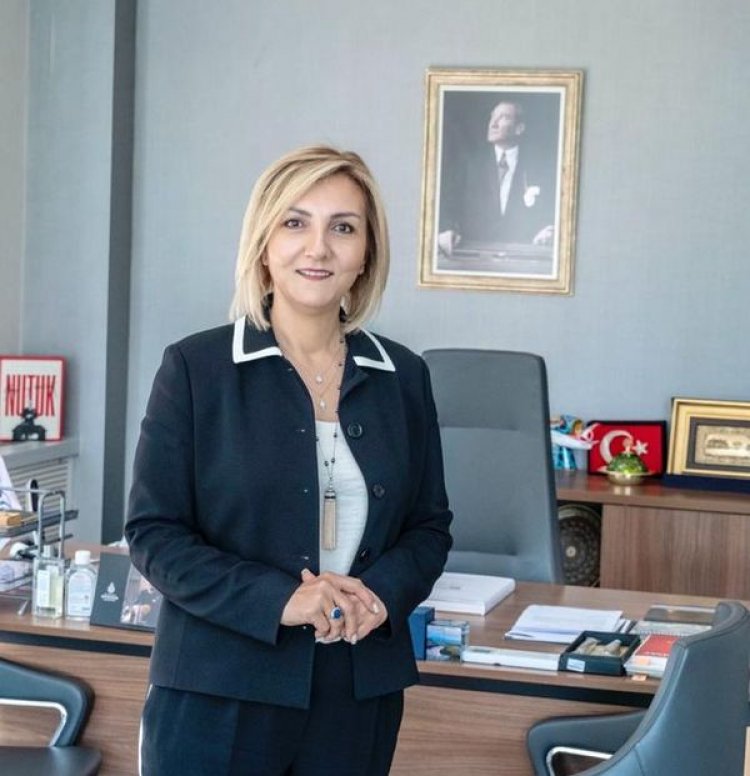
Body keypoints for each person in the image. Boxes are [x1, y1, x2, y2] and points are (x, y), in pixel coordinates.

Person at [125, 145, 453, 775]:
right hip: (219, 691)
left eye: (343, 228)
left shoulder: (404, 376)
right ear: (263, 243)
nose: (318, 248)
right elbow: (154, 533)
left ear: (366, 254)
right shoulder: (196, 369)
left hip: (357, 694)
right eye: (295, 222)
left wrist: (380, 595)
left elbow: (428, 527)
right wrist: (284, 600)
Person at [438, 99, 556, 255]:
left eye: (503, 117)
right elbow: (449, 204)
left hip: (523, 256)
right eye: (492, 117)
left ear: (519, 128)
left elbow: (550, 211)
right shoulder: (470, 162)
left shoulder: (538, 166)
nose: (493, 124)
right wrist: (447, 230)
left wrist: (548, 230)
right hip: (473, 255)